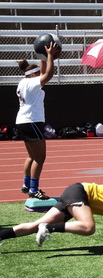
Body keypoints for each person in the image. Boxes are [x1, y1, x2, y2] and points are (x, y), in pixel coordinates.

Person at [0, 182, 103, 253]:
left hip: (73, 192)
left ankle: (2, 235)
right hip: (79, 193)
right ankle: (48, 228)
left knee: (35, 225)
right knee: (88, 227)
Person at [16, 42, 58, 200]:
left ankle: (26, 185)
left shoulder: (23, 82)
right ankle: (33, 189)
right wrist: (49, 56)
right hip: (31, 121)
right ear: (33, 75)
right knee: (40, 158)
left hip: (23, 121)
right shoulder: (31, 83)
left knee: (31, 156)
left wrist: (42, 56)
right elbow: (48, 75)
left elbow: (42, 73)